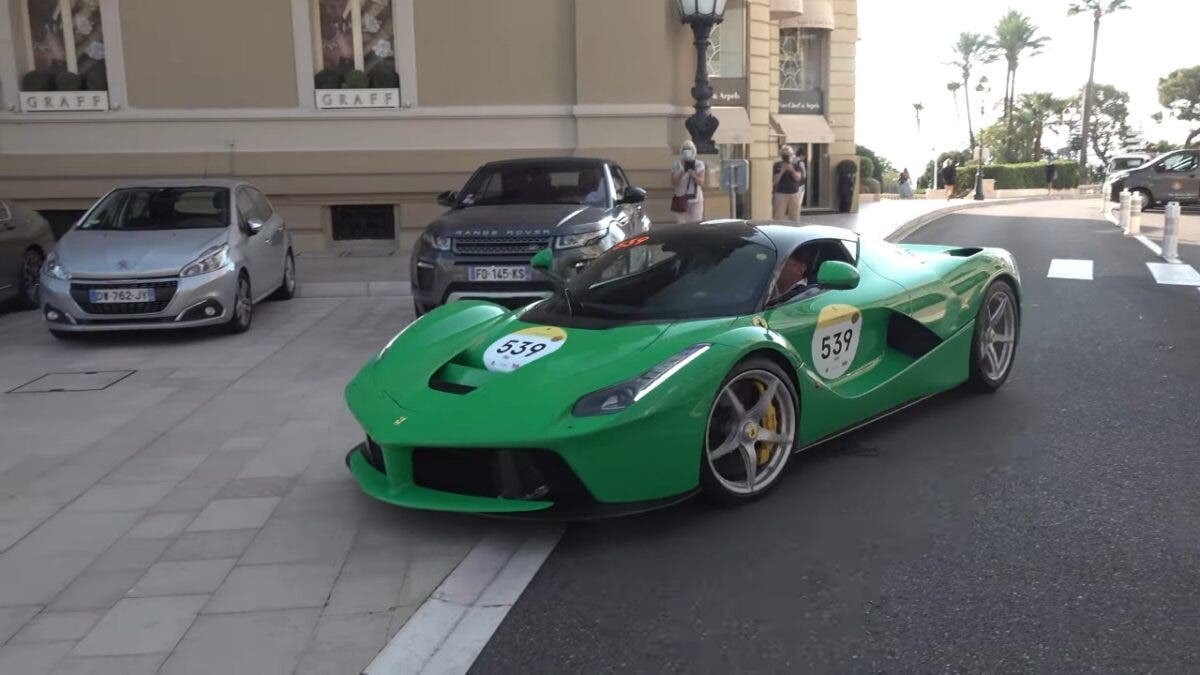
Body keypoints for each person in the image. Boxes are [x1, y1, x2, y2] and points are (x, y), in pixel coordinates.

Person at [670, 140, 705, 223]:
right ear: (681, 151)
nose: (687, 151)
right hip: (680, 198)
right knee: (681, 224)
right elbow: (673, 182)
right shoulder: (676, 164)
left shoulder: (699, 164)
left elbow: (701, 182)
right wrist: (682, 171)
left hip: (696, 199)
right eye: (685, 149)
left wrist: (693, 175)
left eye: (689, 149)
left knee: (696, 223)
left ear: (693, 150)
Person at [772, 145, 806, 221]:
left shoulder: (796, 165)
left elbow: (798, 178)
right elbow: (775, 181)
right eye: (784, 154)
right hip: (780, 194)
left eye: (788, 154)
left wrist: (792, 170)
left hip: (794, 193)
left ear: (791, 155)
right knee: (778, 217)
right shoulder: (777, 165)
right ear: (781, 155)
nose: (786, 156)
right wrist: (782, 171)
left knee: (795, 217)